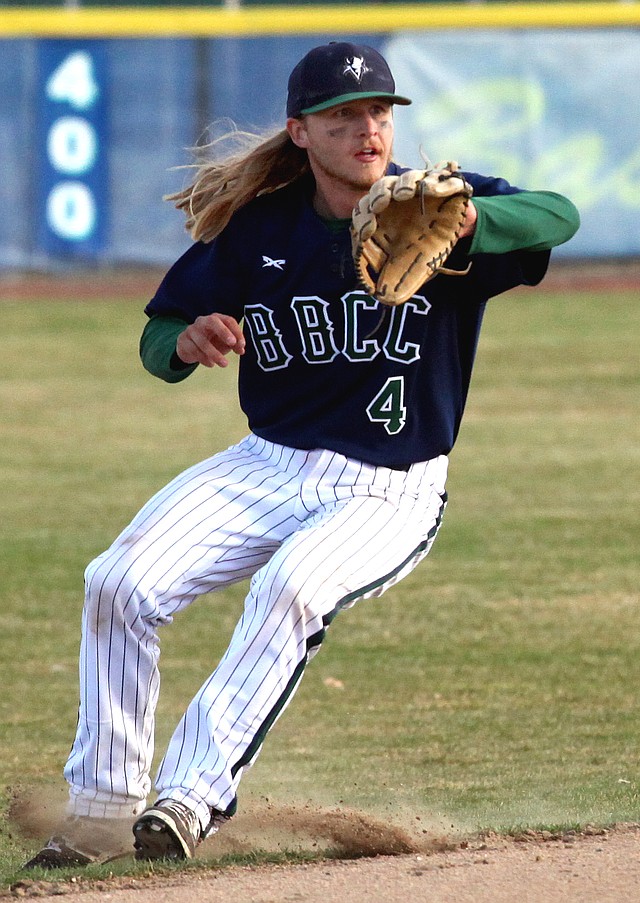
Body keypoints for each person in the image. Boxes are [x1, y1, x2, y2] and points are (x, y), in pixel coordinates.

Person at [24, 40, 579, 869]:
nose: (369, 128)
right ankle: (101, 812)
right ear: (300, 132)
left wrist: (475, 220)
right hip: (267, 464)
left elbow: (560, 214)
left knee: (290, 587)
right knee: (117, 583)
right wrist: (189, 340)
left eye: (381, 112)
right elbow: (158, 332)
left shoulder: (439, 214)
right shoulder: (262, 230)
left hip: (387, 489)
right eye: (344, 115)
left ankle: (190, 795)